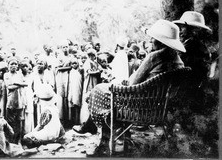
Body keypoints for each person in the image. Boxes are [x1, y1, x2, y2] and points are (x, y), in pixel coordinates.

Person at [74, 19, 185, 156]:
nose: (150, 41)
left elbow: (132, 84)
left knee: (99, 91)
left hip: (139, 106)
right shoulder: (179, 62)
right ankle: (95, 128)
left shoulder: (154, 57)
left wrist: (123, 83)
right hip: (160, 107)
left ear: (160, 41)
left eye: (152, 39)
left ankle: (102, 143)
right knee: (105, 92)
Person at [4, 57, 28, 144]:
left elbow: (26, 84)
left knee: (19, 121)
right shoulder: (6, 75)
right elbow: (9, 86)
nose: (13, 66)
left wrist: (16, 83)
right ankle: (11, 141)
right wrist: (20, 84)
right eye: (11, 64)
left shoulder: (20, 74)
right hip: (11, 101)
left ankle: (19, 141)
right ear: (8, 65)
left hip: (20, 100)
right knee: (10, 121)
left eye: (15, 64)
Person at [68, 57, 83, 125]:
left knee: (77, 105)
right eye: (72, 63)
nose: (74, 65)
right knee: (72, 106)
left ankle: (77, 122)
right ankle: (73, 122)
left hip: (78, 89)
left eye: (75, 63)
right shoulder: (70, 72)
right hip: (72, 90)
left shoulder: (80, 71)